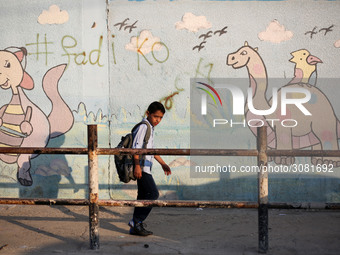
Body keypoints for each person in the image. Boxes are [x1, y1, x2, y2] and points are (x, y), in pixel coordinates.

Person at [128, 101, 172, 236]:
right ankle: (136, 221)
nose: (158, 120)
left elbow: (150, 150)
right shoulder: (144, 127)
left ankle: (136, 226)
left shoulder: (150, 128)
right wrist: (137, 166)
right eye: (155, 117)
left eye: (160, 118)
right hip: (141, 168)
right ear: (148, 114)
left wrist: (162, 163)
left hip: (145, 167)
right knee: (153, 194)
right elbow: (135, 148)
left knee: (142, 196)